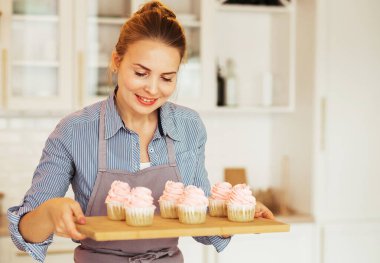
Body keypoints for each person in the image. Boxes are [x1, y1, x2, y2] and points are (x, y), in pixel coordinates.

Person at [7, 1, 274, 262]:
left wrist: (238, 212)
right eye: (141, 73)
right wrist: (51, 211)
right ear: (116, 61)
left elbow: (198, 217)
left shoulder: (188, 126)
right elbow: (24, 233)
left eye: (167, 78)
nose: (153, 89)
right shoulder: (75, 131)